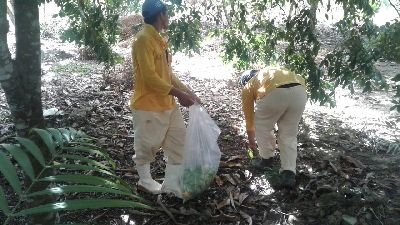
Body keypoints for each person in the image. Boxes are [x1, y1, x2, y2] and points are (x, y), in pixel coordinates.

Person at [131, 0, 200, 196]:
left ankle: (172, 184)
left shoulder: (159, 40)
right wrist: (180, 94)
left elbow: (167, 74)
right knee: (147, 145)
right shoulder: (143, 39)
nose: (168, 17)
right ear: (161, 14)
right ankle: (144, 181)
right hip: (148, 105)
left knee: (179, 142)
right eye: (166, 13)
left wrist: (188, 92)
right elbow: (149, 78)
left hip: (168, 104)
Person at [240, 67, 307, 188]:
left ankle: (266, 159)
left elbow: (249, 119)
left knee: (262, 127)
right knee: (289, 134)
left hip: (275, 92)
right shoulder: (271, 72)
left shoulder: (248, 86)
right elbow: (300, 80)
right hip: (300, 92)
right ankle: (289, 172)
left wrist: (251, 143)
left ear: (245, 81)